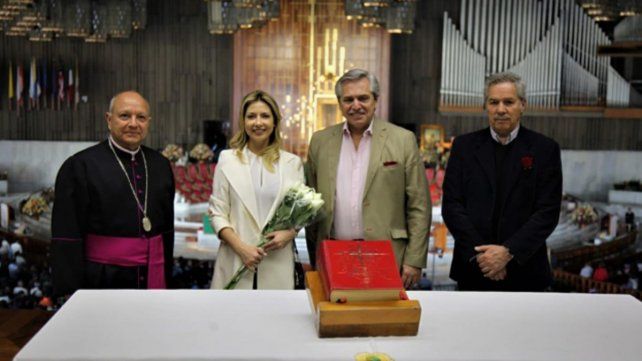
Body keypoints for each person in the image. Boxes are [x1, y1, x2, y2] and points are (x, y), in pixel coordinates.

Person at [305, 68, 431, 289]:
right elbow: (311, 205)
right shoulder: (320, 141)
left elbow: (419, 205)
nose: (356, 105)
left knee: (382, 321)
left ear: (375, 100)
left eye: (363, 98)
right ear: (340, 103)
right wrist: (316, 256)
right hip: (334, 253)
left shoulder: (403, 140)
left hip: (388, 254)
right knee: (337, 319)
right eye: (348, 99)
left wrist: (414, 260)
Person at [442, 72, 562, 292]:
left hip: (526, 271)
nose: (500, 109)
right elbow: (452, 206)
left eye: (509, 102)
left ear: (522, 104)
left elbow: (548, 211)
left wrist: (508, 252)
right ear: (485, 106)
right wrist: (483, 257)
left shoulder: (545, 149)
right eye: (493, 102)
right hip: (474, 269)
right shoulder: (463, 147)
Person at [51, 91, 175, 296]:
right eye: (125, 116)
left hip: (154, 275)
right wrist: (70, 292)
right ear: (109, 119)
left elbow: (167, 232)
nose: (133, 123)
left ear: (149, 122)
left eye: (141, 117)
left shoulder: (160, 165)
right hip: (101, 278)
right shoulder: (80, 165)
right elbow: (67, 234)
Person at [209, 90, 304, 289]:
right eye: (251, 116)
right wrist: (241, 248)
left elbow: (299, 214)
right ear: (243, 122)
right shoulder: (228, 160)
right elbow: (218, 213)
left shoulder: (292, 163)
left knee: (274, 319)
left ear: (275, 122)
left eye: (265, 116)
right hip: (236, 259)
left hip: (276, 263)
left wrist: (289, 234)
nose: (258, 122)